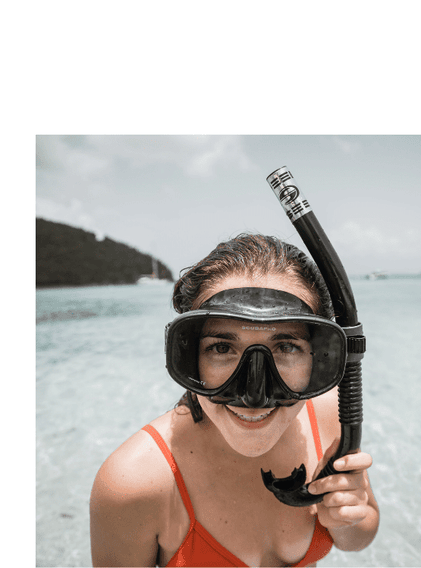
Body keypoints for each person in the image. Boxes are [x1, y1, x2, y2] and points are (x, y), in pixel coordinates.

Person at [90, 234, 379, 567]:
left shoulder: (329, 415)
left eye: (286, 347)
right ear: (189, 356)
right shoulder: (135, 482)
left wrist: (349, 519)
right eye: (222, 348)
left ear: (318, 359)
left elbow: (358, 537)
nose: (254, 394)